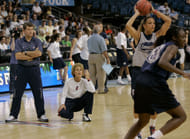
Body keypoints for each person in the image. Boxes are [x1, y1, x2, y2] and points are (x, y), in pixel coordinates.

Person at [124, 26, 189, 139]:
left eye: (186, 37)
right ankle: (153, 138)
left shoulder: (161, 46)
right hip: (153, 82)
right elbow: (162, 62)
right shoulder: (172, 46)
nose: (185, 39)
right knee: (180, 116)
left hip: (140, 81)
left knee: (142, 121)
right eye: (182, 37)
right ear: (174, 37)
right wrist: (183, 73)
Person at [126, 4, 171, 138]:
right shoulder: (139, 36)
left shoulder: (158, 35)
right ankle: (138, 129)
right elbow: (128, 26)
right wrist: (137, 13)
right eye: (150, 23)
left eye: (154, 23)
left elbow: (168, 21)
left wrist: (155, 11)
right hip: (138, 72)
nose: (153, 25)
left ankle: (152, 127)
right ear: (144, 25)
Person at [5, 22, 48, 122]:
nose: (31, 31)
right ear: (24, 31)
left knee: (38, 93)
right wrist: (32, 55)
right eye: (28, 29)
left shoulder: (37, 41)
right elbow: (18, 56)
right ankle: (13, 115)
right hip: (21, 70)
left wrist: (25, 53)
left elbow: (39, 53)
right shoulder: (19, 41)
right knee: (17, 94)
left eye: (32, 29)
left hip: (34, 70)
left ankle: (41, 114)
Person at [88, 24, 110, 94]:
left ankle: (92, 89)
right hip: (99, 56)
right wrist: (107, 58)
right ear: (99, 30)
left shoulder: (89, 38)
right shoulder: (100, 38)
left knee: (92, 74)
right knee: (101, 74)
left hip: (90, 56)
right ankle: (101, 89)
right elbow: (104, 50)